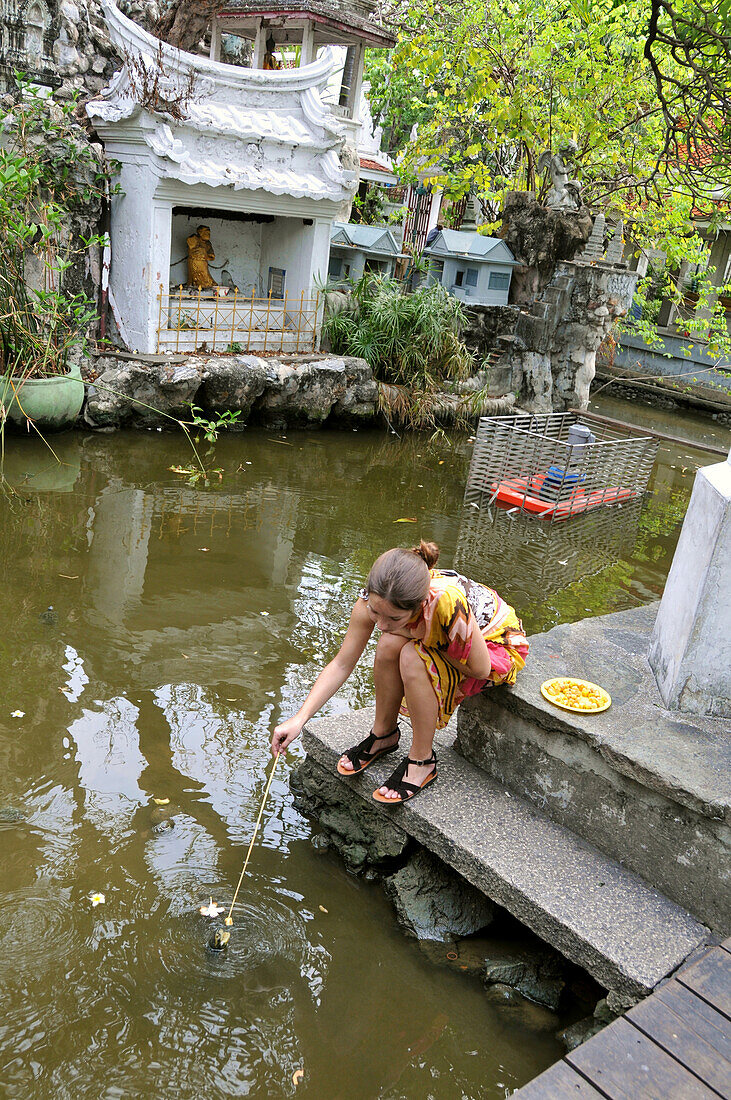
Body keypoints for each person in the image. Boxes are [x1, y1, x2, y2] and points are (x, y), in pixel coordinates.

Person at [271, 541, 528, 804]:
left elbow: (481, 668)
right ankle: (384, 734)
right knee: (388, 642)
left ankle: (422, 760)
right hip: (447, 640)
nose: (381, 624)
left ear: (418, 607)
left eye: (393, 619)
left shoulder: (446, 603)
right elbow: (341, 664)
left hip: (494, 648)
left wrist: (423, 637)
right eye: (375, 612)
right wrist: (299, 719)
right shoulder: (372, 599)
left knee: (411, 655)